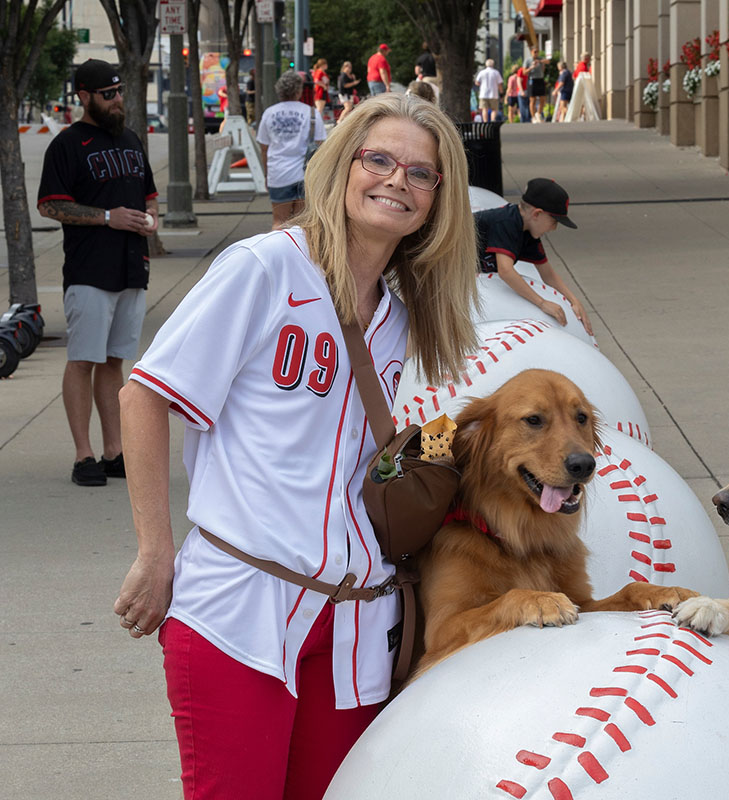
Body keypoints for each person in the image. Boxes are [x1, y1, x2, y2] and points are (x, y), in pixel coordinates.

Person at [112, 92, 479, 800]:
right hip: (241, 604)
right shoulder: (264, 268)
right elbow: (144, 396)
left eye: (420, 173)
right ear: (343, 166)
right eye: (379, 160)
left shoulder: (400, 316)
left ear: (438, 198)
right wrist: (156, 552)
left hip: (354, 618)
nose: (396, 181)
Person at [36, 59, 158, 487]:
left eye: (120, 91)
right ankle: (82, 455)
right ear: (84, 96)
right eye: (108, 94)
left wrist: (150, 221)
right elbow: (50, 205)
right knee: (83, 359)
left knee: (113, 362)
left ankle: (113, 451)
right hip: (89, 270)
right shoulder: (67, 145)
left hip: (130, 269)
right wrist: (107, 216)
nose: (117, 100)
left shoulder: (130, 140)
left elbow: (149, 196)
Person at [473, 178, 592, 335]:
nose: (554, 228)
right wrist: (541, 303)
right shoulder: (506, 222)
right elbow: (505, 271)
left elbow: (548, 275)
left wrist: (574, 301)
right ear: (537, 214)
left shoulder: (529, 233)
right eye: (554, 222)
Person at [257, 70, 327, 230]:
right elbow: (322, 147)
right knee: (302, 225)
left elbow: (263, 147)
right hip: (305, 176)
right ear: (298, 91)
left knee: (279, 222)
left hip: (278, 174)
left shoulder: (270, 113)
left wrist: (266, 174)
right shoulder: (311, 113)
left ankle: (277, 253)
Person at [474, 58, 502, 122]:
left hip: (483, 94)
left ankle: (485, 122)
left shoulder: (482, 72)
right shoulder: (496, 72)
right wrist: (501, 92)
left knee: (484, 109)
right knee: (494, 109)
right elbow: (500, 84)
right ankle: (492, 120)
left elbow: (477, 82)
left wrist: (481, 84)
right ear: (493, 65)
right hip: (493, 94)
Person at [527, 52, 548, 122]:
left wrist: (540, 61)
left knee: (543, 98)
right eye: (534, 52)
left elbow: (548, 61)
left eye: (537, 52)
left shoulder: (540, 58)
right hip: (532, 80)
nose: (536, 53)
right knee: (533, 100)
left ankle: (538, 114)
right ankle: (533, 117)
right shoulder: (528, 60)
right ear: (531, 52)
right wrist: (531, 67)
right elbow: (524, 72)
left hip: (540, 80)